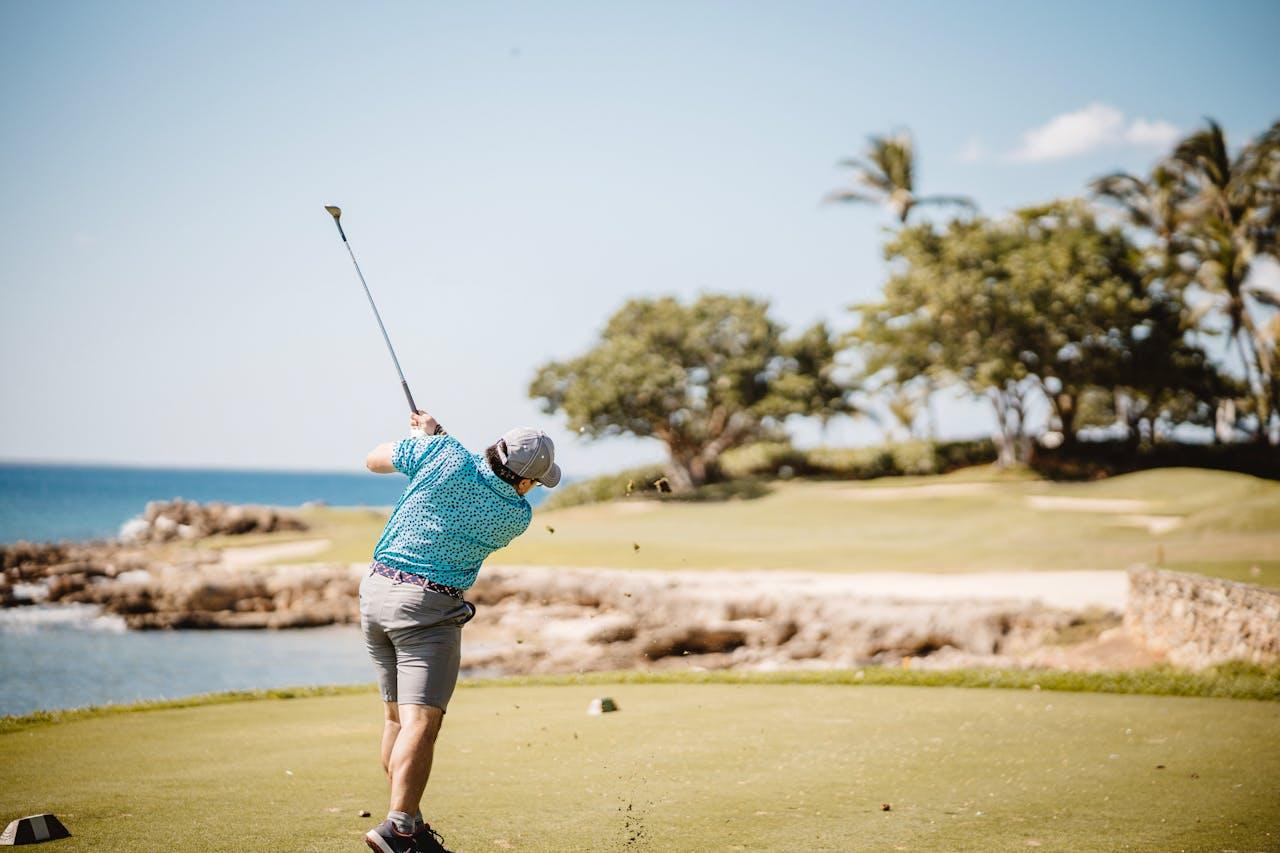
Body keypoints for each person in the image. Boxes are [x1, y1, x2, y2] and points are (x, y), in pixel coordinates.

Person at [360, 410, 560, 853]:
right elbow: (474, 479)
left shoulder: (443, 456)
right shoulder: (515, 515)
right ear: (525, 483)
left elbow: (374, 460)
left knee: (396, 719)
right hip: (426, 611)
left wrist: (422, 440)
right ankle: (399, 828)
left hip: (374, 594)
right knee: (421, 721)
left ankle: (409, 823)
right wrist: (436, 442)